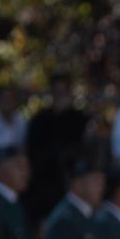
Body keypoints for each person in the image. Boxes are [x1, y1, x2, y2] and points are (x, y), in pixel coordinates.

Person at [25, 76, 89, 229]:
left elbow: (80, 148)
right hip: (44, 181)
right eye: (57, 92)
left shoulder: (79, 119)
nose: (61, 96)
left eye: (64, 92)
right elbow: (34, 152)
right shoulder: (39, 120)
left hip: (71, 179)